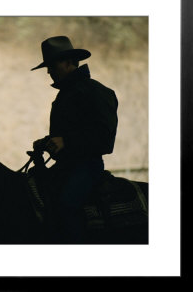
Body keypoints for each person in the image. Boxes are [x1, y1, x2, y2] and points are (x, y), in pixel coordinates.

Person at [31, 36, 118, 243]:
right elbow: (68, 134)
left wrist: (66, 142)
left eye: (52, 65)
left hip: (87, 167)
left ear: (69, 62)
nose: (49, 71)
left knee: (65, 207)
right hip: (65, 168)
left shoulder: (97, 92)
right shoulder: (65, 95)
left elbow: (105, 139)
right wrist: (47, 142)